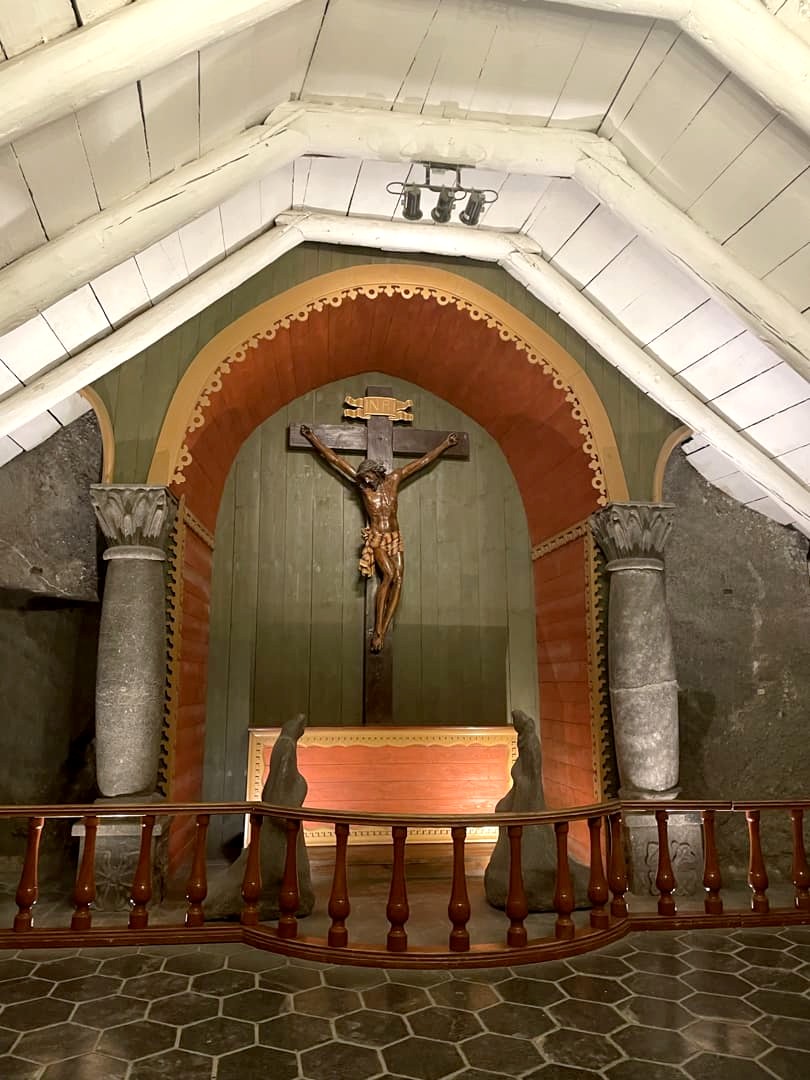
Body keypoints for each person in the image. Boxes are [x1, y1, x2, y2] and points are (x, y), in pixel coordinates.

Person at [300, 424, 458, 651]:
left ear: (375, 472)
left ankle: (384, 627)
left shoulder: (394, 479)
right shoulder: (364, 489)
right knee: (389, 575)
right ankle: (377, 630)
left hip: (395, 536)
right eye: (362, 478)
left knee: (399, 580)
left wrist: (444, 445)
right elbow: (335, 460)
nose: (364, 482)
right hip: (377, 538)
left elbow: (422, 462)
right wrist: (312, 438)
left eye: (367, 477)